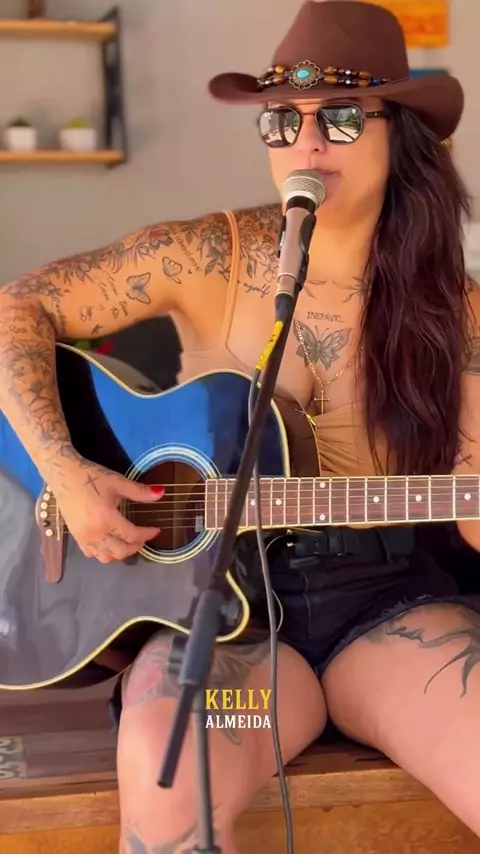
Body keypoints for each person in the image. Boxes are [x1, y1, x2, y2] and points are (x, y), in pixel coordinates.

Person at [1, 0, 480, 850]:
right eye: (280, 120)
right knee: (166, 782)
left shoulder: (459, 308)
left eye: (340, 117)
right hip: (227, 626)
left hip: (388, 611)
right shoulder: (210, 255)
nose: (306, 143)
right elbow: (19, 305)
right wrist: (66, 473)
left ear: (401, 134)